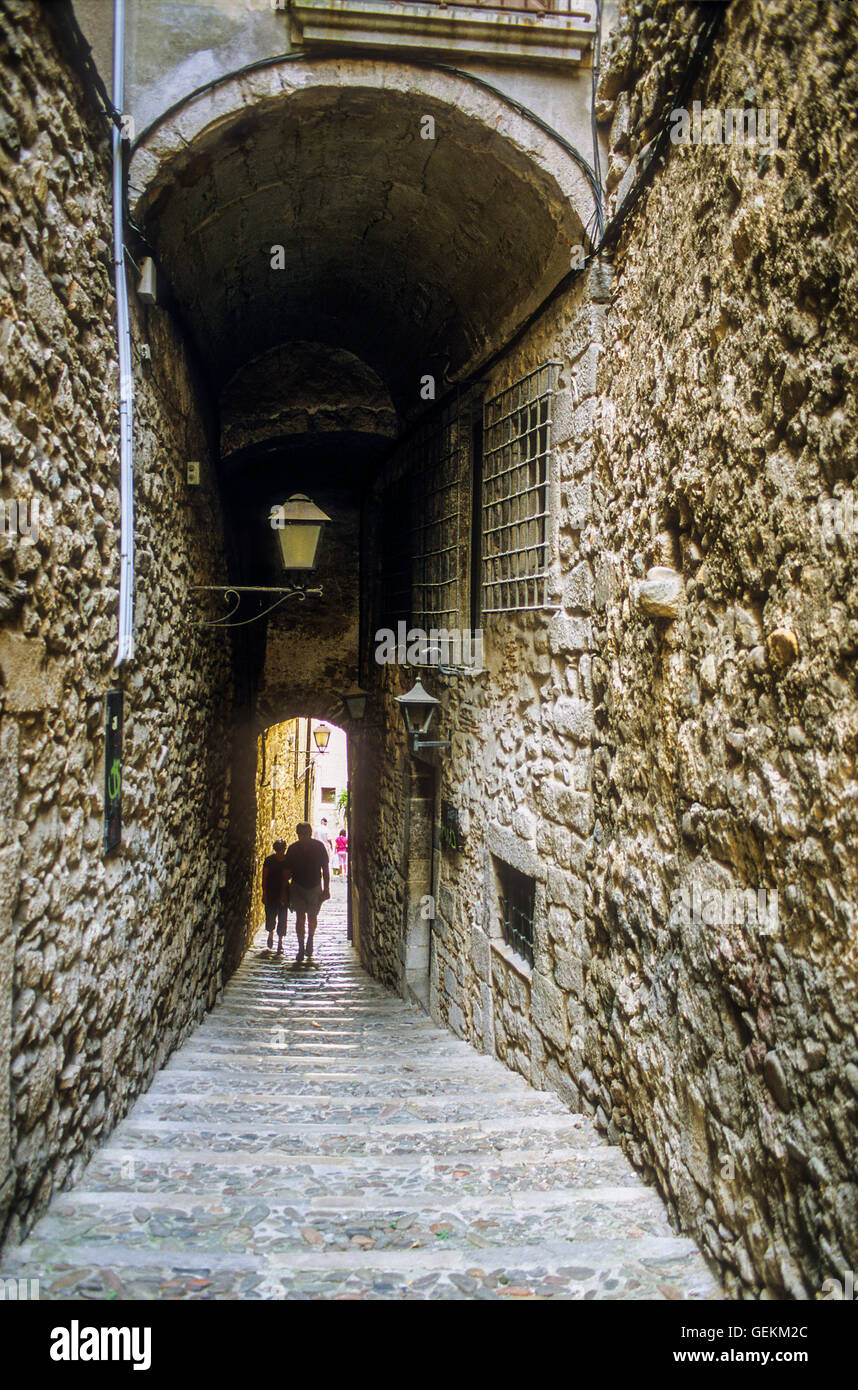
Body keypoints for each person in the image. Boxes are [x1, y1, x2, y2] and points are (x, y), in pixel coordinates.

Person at [283, 822, 330, 964]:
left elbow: (325, 869)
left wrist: (326, 888)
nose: (303, 836)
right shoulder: (292, 849)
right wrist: (285, 890)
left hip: (314, 886)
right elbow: (287, 871)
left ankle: (310, 938)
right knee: (300, 917)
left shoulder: (319, 847)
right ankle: (301, 947)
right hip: (297, 886)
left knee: (312, 916)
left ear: (310, 833)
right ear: (298, 834)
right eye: (300, 834)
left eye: (305, 834)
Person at [261, 839, 289, 952]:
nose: (280, 853)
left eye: (281, 850)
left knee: (282, 916)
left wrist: (284, 893)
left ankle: (280, 942)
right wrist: (264, 893)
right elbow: (264, 878)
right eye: (279, 850)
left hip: (283, 892)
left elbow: (286, 878)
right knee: (270, 915)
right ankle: (271, 933)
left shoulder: (287, 861)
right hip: (271, 892)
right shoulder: (269, 861)